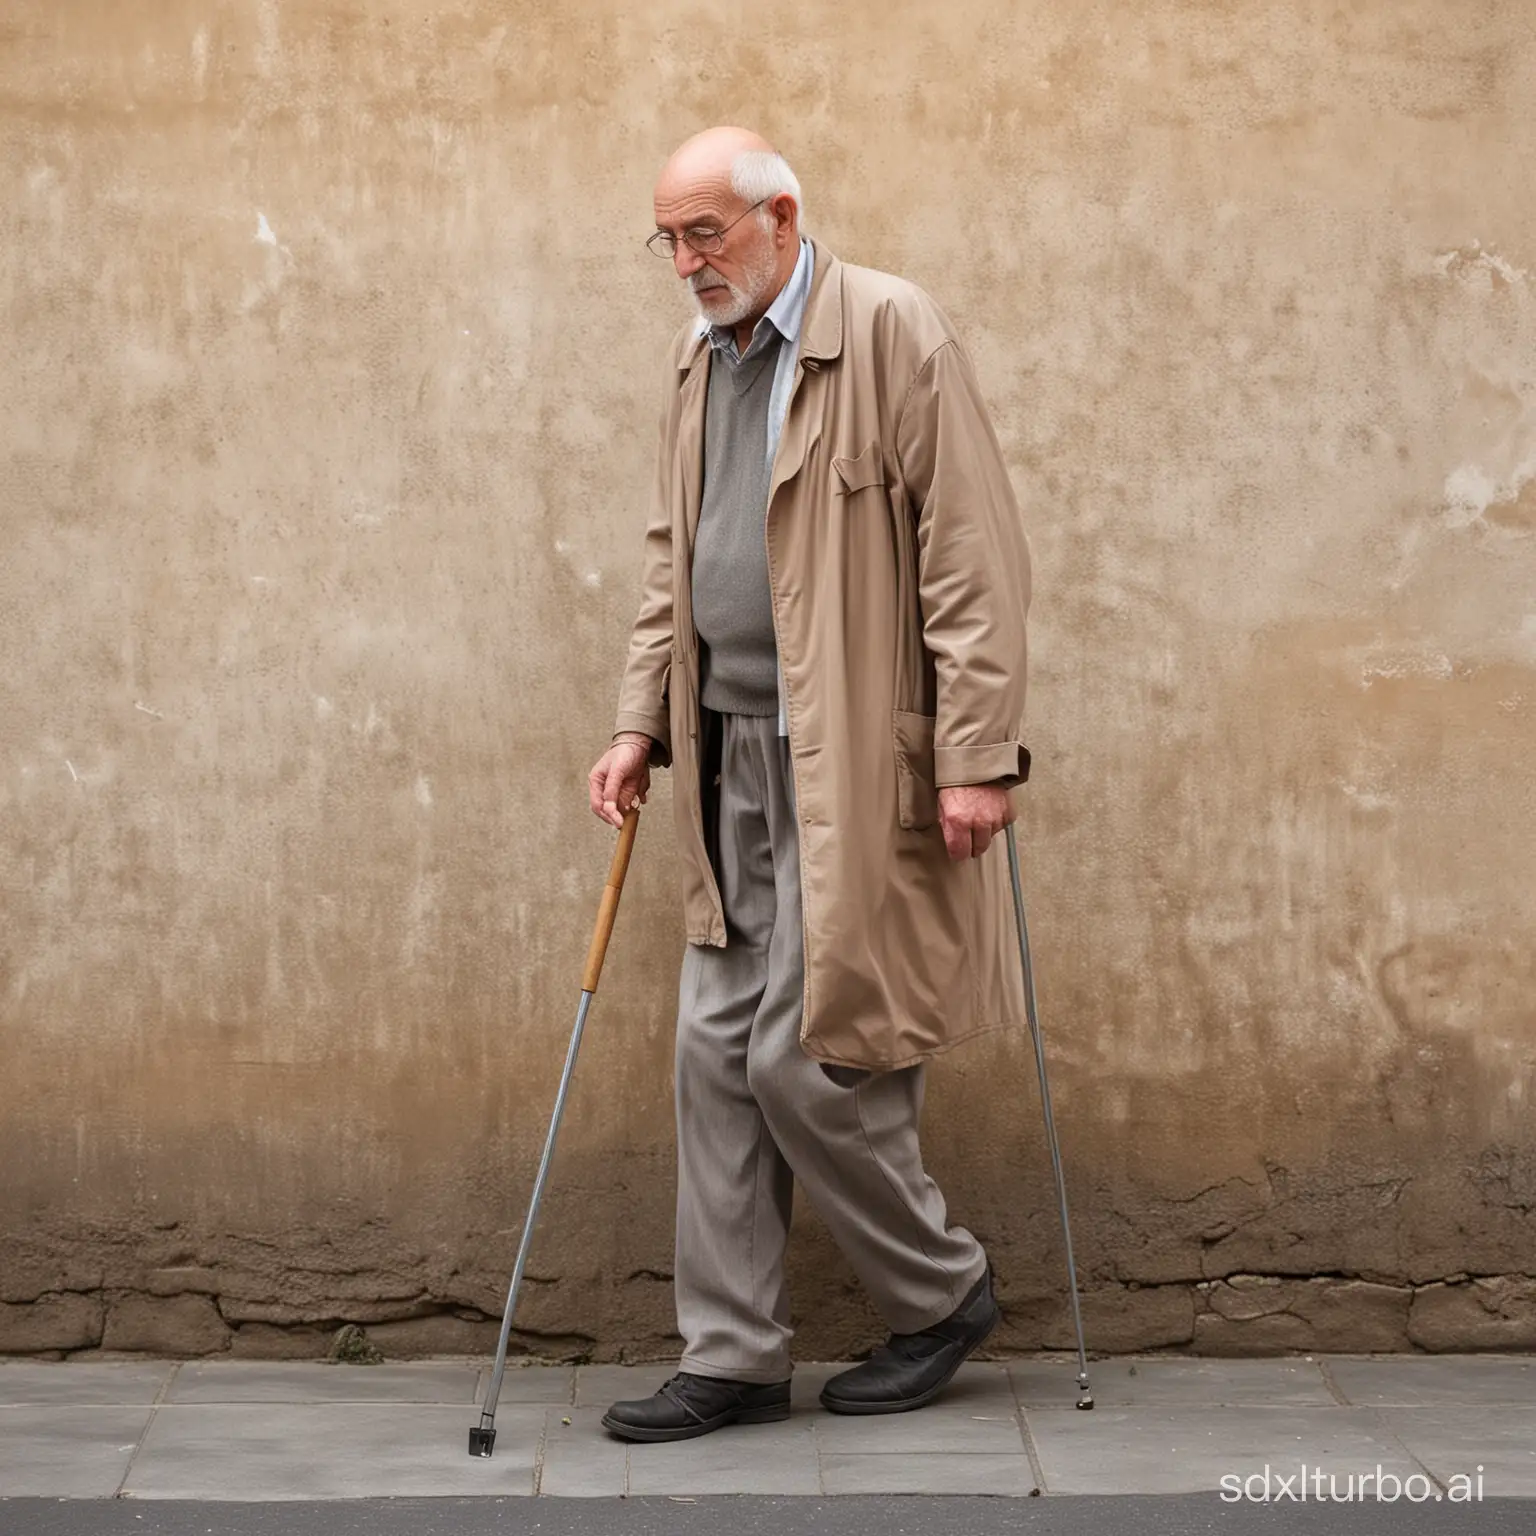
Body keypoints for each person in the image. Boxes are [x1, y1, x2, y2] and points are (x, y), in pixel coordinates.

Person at [586, 126, 1033, 1443]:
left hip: (854, 772)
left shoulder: (894, 330)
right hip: (727, 756)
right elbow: (677, 556)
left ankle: (941, 1291)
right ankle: (730, 1351)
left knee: (811, 1056)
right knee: (714, 1058)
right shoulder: (700, 353)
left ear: (782, 214)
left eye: (705, 233)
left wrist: (979, 755)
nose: (685, 262)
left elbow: (972, 555)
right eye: (669, 240)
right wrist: (637, 724)